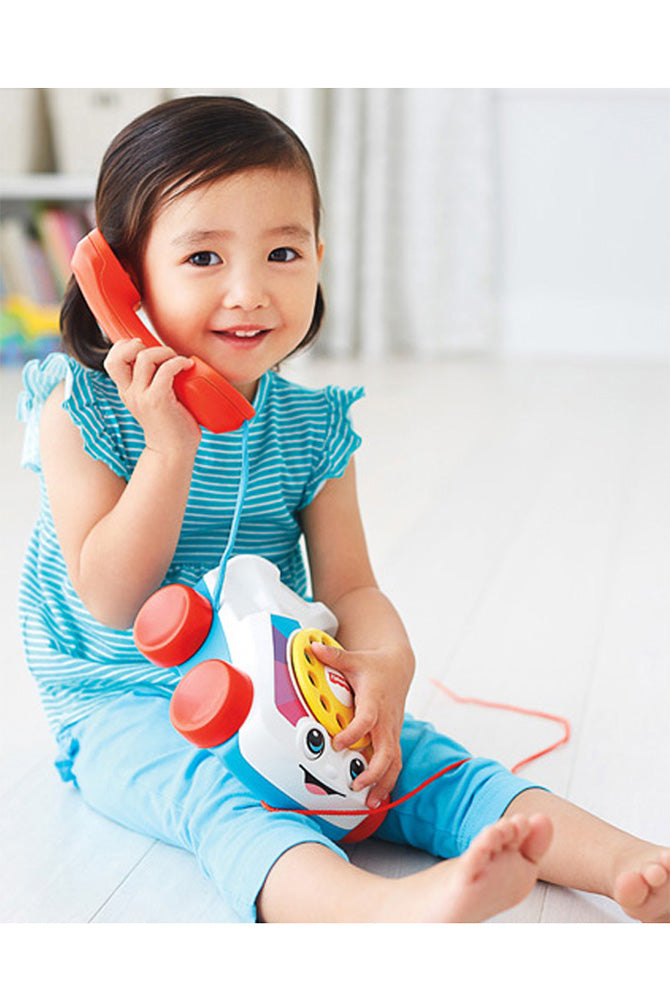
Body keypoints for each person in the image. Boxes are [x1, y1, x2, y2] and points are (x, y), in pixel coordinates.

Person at [18, 95, 670, 924]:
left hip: (276, 675)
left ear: (319, 258)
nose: (250, 292)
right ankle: (381, 910)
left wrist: (387, 665)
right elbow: (112, 598)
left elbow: (352, 587)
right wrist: (169, 450)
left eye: (283, 252)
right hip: (124, 700)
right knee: (219, 799)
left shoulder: (312, 428)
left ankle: (628, 863)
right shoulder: (82, 410)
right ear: (124, 282)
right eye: (204, 257)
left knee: (426, 763)